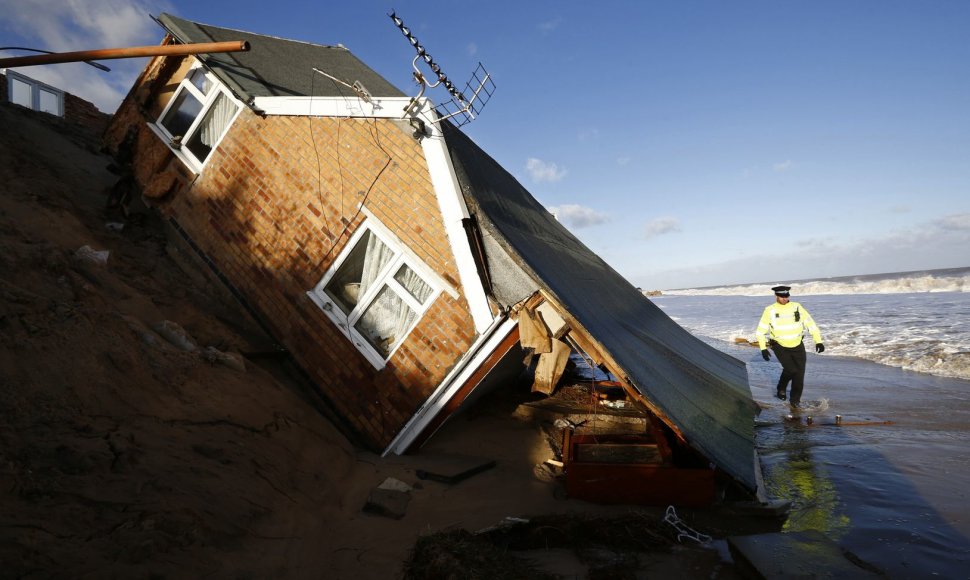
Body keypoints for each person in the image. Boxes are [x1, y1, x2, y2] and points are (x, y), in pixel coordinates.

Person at [756, 285, 824, 408]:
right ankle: (781, 388)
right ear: (776, 296)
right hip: (779, 345)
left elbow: (811, 324)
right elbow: (760, 331)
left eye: (786, 296)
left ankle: (795, 402)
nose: (784, 298)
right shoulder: (769, 310)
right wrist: (763, 348)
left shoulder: (797, 307)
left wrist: (818, 341)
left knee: (799, 375)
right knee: (791, 370)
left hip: (797, 344)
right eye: (781, 296)